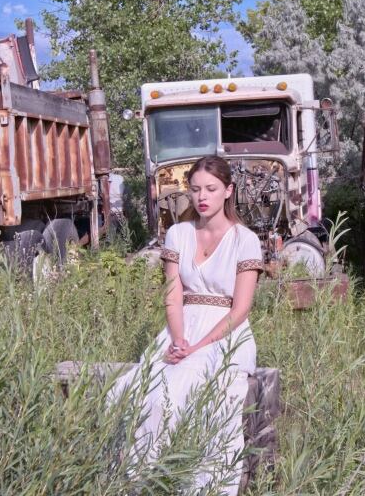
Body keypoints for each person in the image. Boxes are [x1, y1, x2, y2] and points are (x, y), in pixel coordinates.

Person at [113, 155, 263, 494]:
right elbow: (172, 296)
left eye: (211, 188)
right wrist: (179, 339)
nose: (202, 197)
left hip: (225, 334)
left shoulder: (244, 239)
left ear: (228, 191)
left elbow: (241, 309)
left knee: (191, 389)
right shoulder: (178, 234)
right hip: (181, 327)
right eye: (195, 189)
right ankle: (145, 481)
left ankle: (198, 484)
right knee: (145, 392)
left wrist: (198, 346)